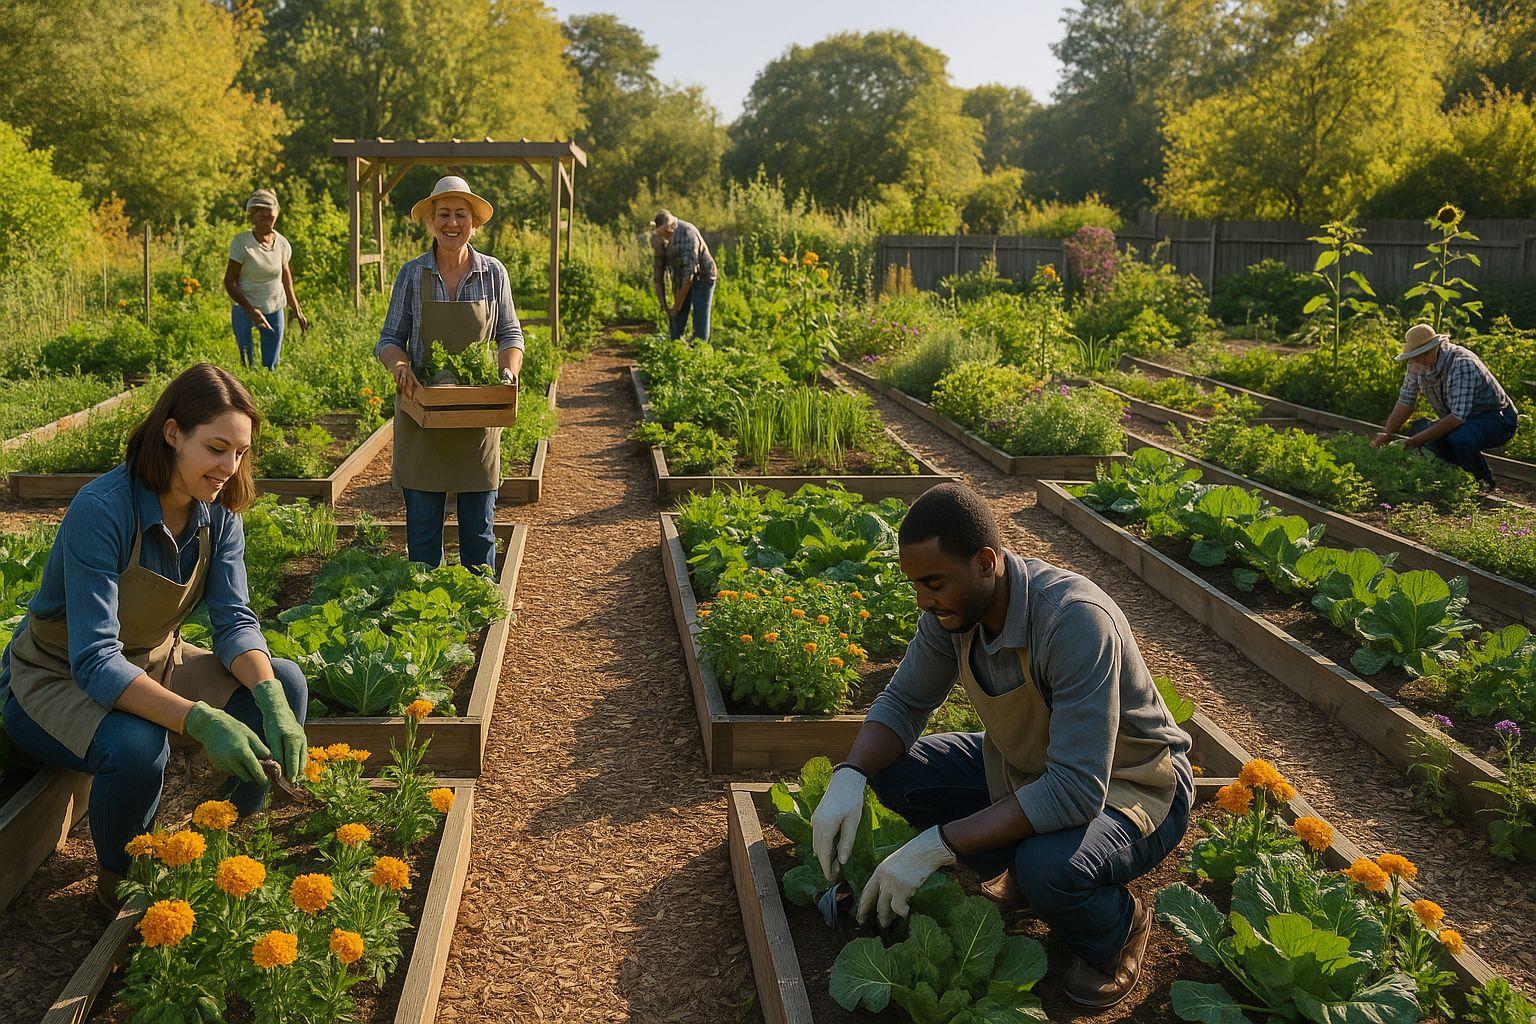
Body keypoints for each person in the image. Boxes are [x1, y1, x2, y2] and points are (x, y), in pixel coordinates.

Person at [811, 483, 1193, 1009]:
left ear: (987, 561)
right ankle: (1020, 869)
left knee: (1048, 869)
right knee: (895, 770)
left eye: (935, 583)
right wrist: (849, 773)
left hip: (1135, 787)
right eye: (916, 584)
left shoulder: (1073, 620)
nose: (924, 600)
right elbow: (903, 704)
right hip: (1030, 768)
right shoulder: (952, 614)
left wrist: (937, 844)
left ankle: (1118, 928)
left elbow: (1078, 790)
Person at [0, 363, 310, 910]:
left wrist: (271, 702)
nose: (229, 467)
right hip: (54, 677)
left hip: (151, 660)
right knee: (138, 747)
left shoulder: (217, 514)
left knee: (283, 682)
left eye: (239, 452)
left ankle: (221, 845)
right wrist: (200, 718)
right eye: (217, 448)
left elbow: (235, 621)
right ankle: (122, 883)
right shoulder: (102, 510)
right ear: (172, 433)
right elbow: (95, 659)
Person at [377, 176, 523, 572]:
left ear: (474, 222)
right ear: (431, 221)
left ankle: (479, 614)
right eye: (444, 214)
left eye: (461, 214)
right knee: (423, 532)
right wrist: (401, 364)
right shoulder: (411, 274)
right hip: (424, 411)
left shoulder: (494, 273)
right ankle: (428, 621)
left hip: (477, 414)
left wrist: (508, 373)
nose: (452, 223)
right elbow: (389, 338)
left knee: (479, 531)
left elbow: (510, 334)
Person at [1370, 323, 1518, 491]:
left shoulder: (1462, 364)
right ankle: (1455, 473)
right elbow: (1406, 399)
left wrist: (1416, 441)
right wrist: (1387, 434)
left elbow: (1457, 418)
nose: (1414, 361)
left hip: (1496, 418)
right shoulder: (1417, 364)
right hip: (1460, 420)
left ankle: (1483, 481)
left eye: (1418, 356)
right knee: (1421, 429)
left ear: (1431, 350)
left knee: (1459, 437)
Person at [223, 188, 308, 369]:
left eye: (267, 213)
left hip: (274, 307)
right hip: (245, 309)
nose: (263, 216)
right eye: (258, 212)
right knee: (246, 361)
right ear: (251, 216)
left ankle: (267, 392)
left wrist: (297, 310)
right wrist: (251, 310)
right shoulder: (241, 243)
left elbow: (286, 280)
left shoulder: (282, 244)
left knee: (271, 364)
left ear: (275, 215)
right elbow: (229, 282)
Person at [651, 210, 717, 341]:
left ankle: (699, 349)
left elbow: (689, 277)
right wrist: (663, 303)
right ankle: (676, 344)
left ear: (669, 229)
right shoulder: (661, 239)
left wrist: (677, 306)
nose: (660, 239)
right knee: (677, 318)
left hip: (702, 277)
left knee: (699, 317)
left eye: (661, 235)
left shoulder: (687, 233)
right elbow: (658, 276)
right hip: (682, 279)